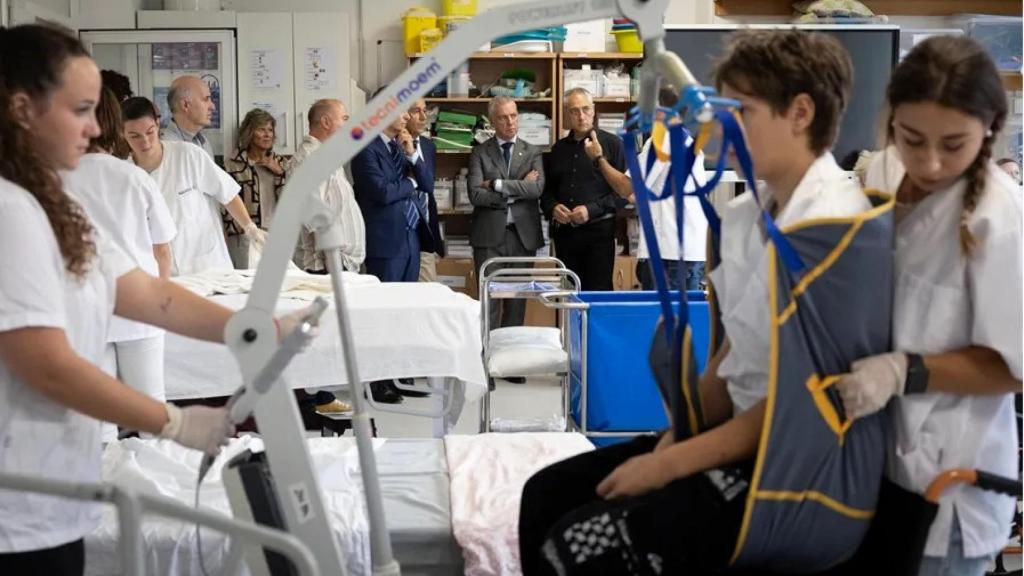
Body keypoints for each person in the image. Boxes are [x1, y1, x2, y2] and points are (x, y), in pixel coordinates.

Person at [519, 29, 870, 575]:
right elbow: (729, 362)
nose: (716, 127)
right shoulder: (741, 220)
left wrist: (670, 463)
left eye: (739, 111)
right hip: (735, 436)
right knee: (546, 494)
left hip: (792, 467)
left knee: (575, 543)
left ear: (800, 113)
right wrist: (671, 441)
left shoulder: (836, 230)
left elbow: (797, 409)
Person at [0, 24, 237, 573]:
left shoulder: (51, 199)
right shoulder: (11, 210)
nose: (93, 128)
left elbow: (148, 294)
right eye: (80, 109)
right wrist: (171, 422)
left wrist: (250, 328)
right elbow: (48, 366)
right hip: (18, 512)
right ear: (21, 109)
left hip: (52, 496)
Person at [836, 36, 1021, 576]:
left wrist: (905, 372)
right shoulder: (884, 173)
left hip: (951, 492)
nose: (931, 163)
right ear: (891, 119)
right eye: (912, 139)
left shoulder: (999, 215)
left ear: (988, 129)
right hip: (875, 472)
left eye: (954, 144)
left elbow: (1014, 367)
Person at [61, 87, 177, 430]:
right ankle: (156, 480)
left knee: (97, 419)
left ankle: (105, 477)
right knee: (150, 411)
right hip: (139, 307)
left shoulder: (56, 179)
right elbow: (162, 249)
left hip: (83, 311)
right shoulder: (134, 177)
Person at [122, 96, 264, 275]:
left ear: (158, 124)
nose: (145, 142)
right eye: (134, 136)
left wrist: (250, 228)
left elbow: (227, 194)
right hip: (163, 274)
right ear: (122, 133)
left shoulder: (187, 155)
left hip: (208, 267)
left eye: (149, 132)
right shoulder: (125, 174)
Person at [584, 86, 708, 291]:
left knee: (661, 319)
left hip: (669, 256)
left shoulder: (663, 141)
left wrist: (598, 158)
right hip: (686, 252)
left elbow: (626, 187)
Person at [469, 96, 545, 331]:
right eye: (503, 117)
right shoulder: (480, 152)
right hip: (489, 237)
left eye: (513, 116)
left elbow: (537, 189)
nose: (510, 122)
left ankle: (511, 365)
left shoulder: (532, 151)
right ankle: (487, 362)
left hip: (522, 237)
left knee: (516, 303)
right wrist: (517, 188)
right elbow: (475, 195)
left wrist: (497, 185)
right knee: (488, 302)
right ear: (493, 121)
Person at [541, 87, 624, 291]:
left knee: (599, 294)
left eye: (586, 109)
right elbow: (546, 191)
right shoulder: (558, 149)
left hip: (599, 233)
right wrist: (553, 207)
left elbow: (624, 193)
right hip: (565, 235)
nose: (581, 116)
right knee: (569, 294)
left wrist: (591, 210)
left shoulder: (612, 144)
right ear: (567, 113)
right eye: (574, 110)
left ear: (594, 110)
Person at [350, 93, 431, 283]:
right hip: (385, 245)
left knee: (409, 305)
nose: (407, 116)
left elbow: (427, 184)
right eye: (402, 111)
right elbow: (383, 192)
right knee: (385, 306)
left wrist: (412, 155)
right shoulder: (365, 148)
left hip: (411, 240)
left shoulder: (400, 146)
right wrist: (411, 182)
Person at [291, 98, 366, 274]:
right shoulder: (310, 159)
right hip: (329, 267)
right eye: (344, 119)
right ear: (326, 122)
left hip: (341, 264)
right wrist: (334, 264)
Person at [224, 108, 289, 268]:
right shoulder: (232, 164)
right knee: (247, 282)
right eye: (261, 129)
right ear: (250, 132)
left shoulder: (281, 163)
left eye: (270, 130)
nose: (267, 135)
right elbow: (225, 202)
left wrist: (280, 173)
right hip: (245, 235)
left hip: (276, 233)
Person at [405, 98, 445, 281]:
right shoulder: (393, 144)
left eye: (425, 110)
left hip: (425, 234)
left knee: (429, 294)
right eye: (416, 111)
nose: (423, 117)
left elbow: (428, 190)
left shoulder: (428, 146)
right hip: (402, 235)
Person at [162, 75, 215, 158]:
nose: (212, 106)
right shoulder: (166, 148)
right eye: (206, 99)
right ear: (185, 105)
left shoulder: (203, 141)